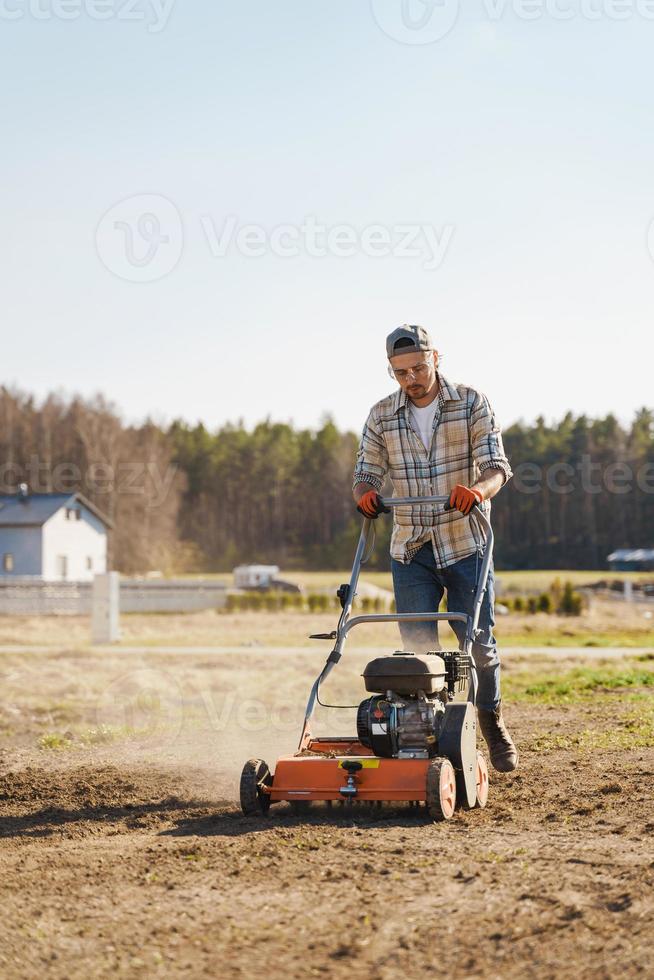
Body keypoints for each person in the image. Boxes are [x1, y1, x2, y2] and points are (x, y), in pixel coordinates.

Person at [352, 324, 518, 772]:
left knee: (478, 645)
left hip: (466, 542)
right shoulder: (381, 414)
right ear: (391, 371)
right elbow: (366, 471)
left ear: (436, 358)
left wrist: (479, 491)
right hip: (411, 547)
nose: (412, 379)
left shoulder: (470, 402)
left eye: (418, 368)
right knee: (419, 653)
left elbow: (497, 466)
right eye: (400, 372)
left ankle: (491, 721)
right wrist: (365, 492)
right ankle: (428, 735)